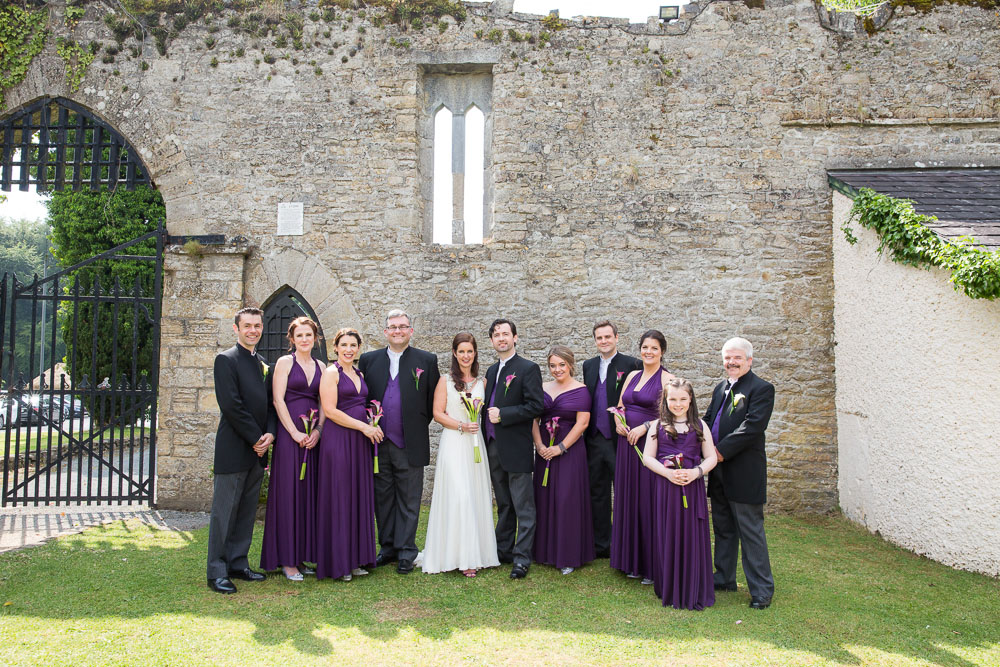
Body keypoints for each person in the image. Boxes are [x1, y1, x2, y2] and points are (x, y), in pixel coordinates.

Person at [358, 309, 440, 575]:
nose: (397, 331)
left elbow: (431, 403)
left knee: (409, 498)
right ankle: (388, 547)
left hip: (409, 442)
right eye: (392, 327)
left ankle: (406, 551)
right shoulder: (369, 360)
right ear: (385, 332)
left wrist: (412, 426)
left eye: (402, 327)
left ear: (410, 331)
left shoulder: (426, 361)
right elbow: (361, 398)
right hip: (376, 443)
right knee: (382, 497)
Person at [206, 307, 276, 594]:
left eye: (257, 325)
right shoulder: (226, 360)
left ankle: (238, 562)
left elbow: (271, 404)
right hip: (234, 448)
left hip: (258, 450)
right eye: (247, 325)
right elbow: (231, 406)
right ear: (236, 329)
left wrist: (270, 433)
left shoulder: (262, 362)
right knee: (224, 512)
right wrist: (256, 437)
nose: (253, 330)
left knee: (247, 510)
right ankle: (217, 571)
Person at [703, 337, 776, 609]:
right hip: (718, 472)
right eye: (727, 358)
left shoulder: (761, 389)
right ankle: (723, 577)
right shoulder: (720, 387)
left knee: (750, 531)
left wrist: (718, 452)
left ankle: (761, 590)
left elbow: (752, 427)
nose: (731, 362)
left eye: (737, 358)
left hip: (744, 472)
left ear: (749, 360)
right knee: (723, 527)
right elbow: (709, 421)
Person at [421, 333, 499, 577]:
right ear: (454, 353)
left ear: (475, 353)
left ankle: (476, 553)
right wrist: (461, 425)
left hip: (475, 446)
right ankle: (459, 556)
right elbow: (437, 413)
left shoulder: (482, 383)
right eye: (461, 351)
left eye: (470, 351)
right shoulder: (445, 381)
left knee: (475, 496)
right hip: (454, 443)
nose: (466, 356)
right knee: (459, 496)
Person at [642, 378, 717, 610]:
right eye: (673, 399)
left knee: (691, 533)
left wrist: (696, 473)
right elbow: (647, 458)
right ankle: (670, 586)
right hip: (666, 488)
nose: (677, 404)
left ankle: (693, 585)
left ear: (690, 399)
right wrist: (667, 473)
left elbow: (712, 457)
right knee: (668, 532)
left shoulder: (700, 426)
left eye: (682, 399)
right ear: (665, 399)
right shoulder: (657, 426)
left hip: (692, 489)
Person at [260, 317, 323, 581]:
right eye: (300, 336)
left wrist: (317, 432)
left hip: (313, 438)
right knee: (288, 494)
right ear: (292, 339)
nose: (305, 339)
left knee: (309, 495)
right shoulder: (285, 364)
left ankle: (302, 555)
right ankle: (287, 560)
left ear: (315, 337)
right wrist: (294, 432)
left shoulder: (322, 366)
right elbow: (277, 400)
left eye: (309, 335)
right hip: (290, 437)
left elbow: (325, 403)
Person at [316, 328, 381, 582]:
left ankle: (355, 559)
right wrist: (364, 426)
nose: (349, 349)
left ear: (358, 348)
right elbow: (330, 410)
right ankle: (339, 562)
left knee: (357, 496)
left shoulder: (359, 372)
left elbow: (362, 405)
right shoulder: (331, 373)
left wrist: (371, 423)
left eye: (353, 345)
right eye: (344, 345)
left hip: (359, 442)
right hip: (339, 440)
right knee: (340, 497)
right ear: (336, 348)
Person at [610, 329, 674, 585]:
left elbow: (672, 414)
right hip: (626, 445)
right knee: (628, 498)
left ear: (662, 352)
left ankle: (650, 564)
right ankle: (630, 562)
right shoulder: (633, 375)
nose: (648, 352)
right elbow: (620, 405)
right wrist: (618, 421)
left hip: (649, 446)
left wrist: (644, 428)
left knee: (648, 500)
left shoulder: (668, 379)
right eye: (645, 347)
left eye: (654, 348)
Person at [482, 318, 544, 579]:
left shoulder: (528, 368)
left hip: (517, 447)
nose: (501, 338)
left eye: (505, 334)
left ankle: (521, 558)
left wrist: (503, 415)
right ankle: (503, 550)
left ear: (515, 337)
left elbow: (536, 406)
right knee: (504, 504)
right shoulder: (490, 371)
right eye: (496, 335)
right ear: (492, 341)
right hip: (493, 445)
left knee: (523, 505)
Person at [531, 345, 594, 575]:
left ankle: (568, 554)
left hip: (570, 451)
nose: (557, 369)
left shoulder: (581, 390)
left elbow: (582, 423)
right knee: (544, 497)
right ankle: (545, 552)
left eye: (561, 365)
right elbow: (534, 419)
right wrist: (539, 445)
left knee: (567, 499)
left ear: (570, 364)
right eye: (552, 365)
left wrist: (561, 447)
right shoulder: (542, 388)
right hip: (544, 449)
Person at [582, 321, 641, 558]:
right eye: (599, 338)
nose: (604, 341)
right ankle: (601, 544)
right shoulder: (588, 365)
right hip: (594, 439)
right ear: (595, 340)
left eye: (608, 337)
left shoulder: (631, 364)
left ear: (617, 338)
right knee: (597, 492)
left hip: (619, 439)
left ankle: (625, 543)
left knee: (625, 492)